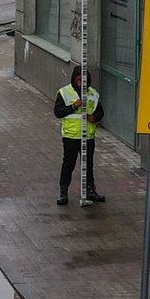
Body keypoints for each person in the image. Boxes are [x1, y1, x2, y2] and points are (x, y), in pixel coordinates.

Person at [54, 64, 106, 205]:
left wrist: (94, 117)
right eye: (79, 80)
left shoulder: (92, 94)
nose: (82, 83)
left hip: (88, 137)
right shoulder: (64, 93)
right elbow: (58, 112)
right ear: (74, 80)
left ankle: (90, 191)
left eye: (84, 80)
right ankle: (63, 192)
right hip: (71, 137)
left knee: (88, 165)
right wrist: (73, 106)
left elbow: (100, 112)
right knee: (68, 165)